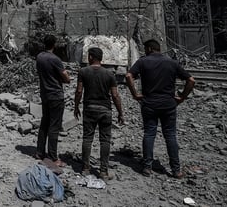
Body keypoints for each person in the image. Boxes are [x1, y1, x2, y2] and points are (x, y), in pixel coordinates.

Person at [125, 39, 195, 178]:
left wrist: (135, 94)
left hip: (149, 103)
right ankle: (176, 169)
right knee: (170, 135)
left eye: (145, 49)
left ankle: (147, 167)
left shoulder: (143, 62)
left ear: (150, 49)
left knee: (149, 133)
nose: (144, 51)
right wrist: (182, 97)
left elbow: (128, 75)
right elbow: (191, 80)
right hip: (168, 104)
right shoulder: (172, 63)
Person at [73, 47, 124, 179]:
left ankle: (85, 168)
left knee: (87, 138)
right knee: (105, 140)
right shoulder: (109, 74)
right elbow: (115, 95)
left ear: (91, 57)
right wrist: (120, 112)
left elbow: (79, 91)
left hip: (89, 108)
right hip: (105, 110)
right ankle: (103, 171)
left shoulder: (83, 72)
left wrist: (76, 106)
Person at [35, 34, 70, 165]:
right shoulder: (55, 59)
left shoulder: (39, 57)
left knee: (44, 123)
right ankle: (53, 157)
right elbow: (66, 78)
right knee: (54, 126)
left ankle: (39, 152)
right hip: (55, 95)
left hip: (45, 94)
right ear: (54, 44)